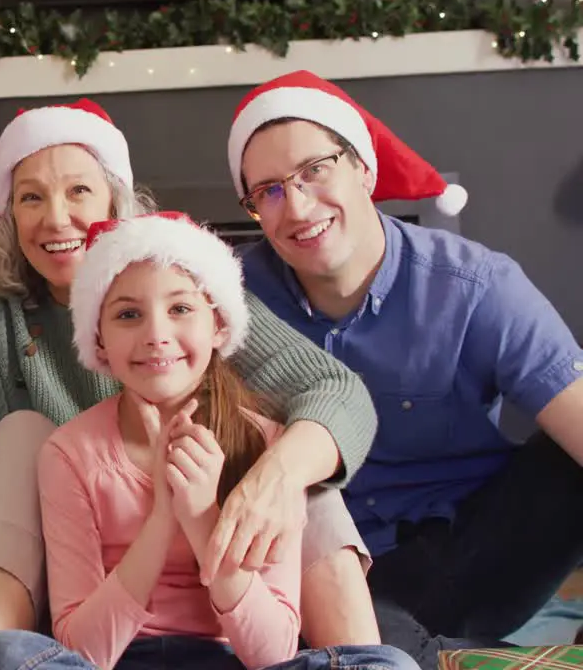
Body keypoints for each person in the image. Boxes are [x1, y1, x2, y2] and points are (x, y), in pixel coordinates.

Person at [0, 100, 381, 668]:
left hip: (235, 613)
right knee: (24, 437)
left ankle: (362, 657)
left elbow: (335, 392)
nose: (56, 219)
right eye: (31, 197)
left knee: (304, 447)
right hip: (86, 608)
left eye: (79, 191)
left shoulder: (190, 283)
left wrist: (273, 478)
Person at [227, 71, 583, 659]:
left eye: (315, 170)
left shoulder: (475, 286)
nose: (296, 206)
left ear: (363, 168)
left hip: (480, 545)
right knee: (369, 645)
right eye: (266, 190)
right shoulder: (232, 300)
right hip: (341, 568)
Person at [0, 212, 416, 670]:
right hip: (119, 661)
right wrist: (162, 516)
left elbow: (273, 652)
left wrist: (201, 516)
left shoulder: (267, 445)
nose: (157, 336)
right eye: (128, 315)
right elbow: (85, 649)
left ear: (217, 325)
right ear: (99, 341)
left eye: (180, 309)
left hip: (231, 659)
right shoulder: (70, 452)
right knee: (1, 654)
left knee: (386, 664)